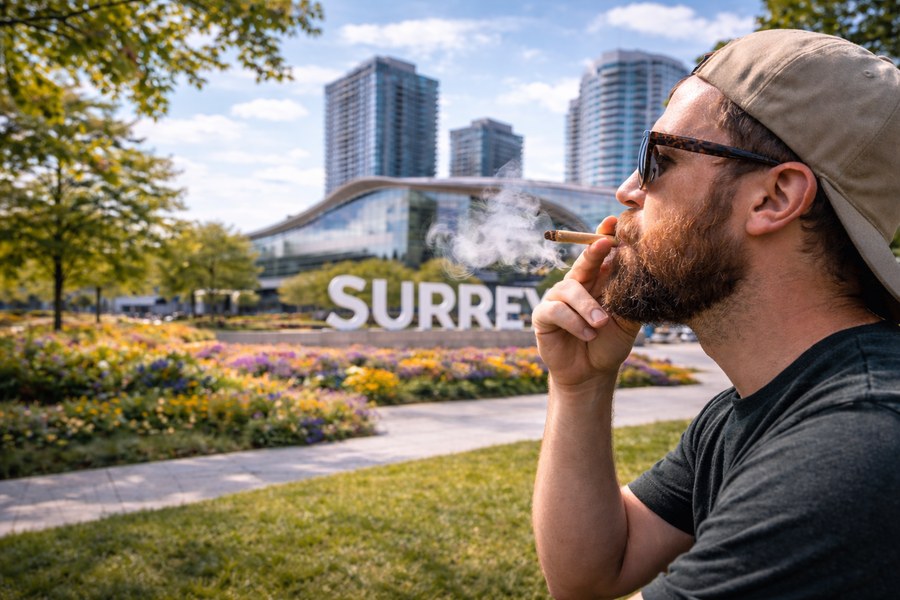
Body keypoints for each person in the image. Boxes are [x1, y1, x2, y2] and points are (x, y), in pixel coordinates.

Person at [531, 29, 900, 600]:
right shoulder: (751, 409)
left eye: (658, 159)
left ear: (773, 198)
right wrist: (579, 385)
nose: (627, 191)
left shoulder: (856, 443)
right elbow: (591, 576)